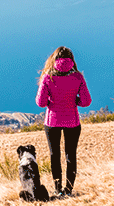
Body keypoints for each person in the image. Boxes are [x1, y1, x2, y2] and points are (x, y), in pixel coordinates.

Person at [35, 46, 91, 198]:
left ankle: (58, 189)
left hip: (52, 122)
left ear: (54, 59)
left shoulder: (48, 77)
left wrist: (52, 102)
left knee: (55, 156)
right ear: (71, 60)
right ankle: (69, 189)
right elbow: (86, 101)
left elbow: (40, 103)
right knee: (70, 155)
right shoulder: (78, 77)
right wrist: (74, 100)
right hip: (72, 121)